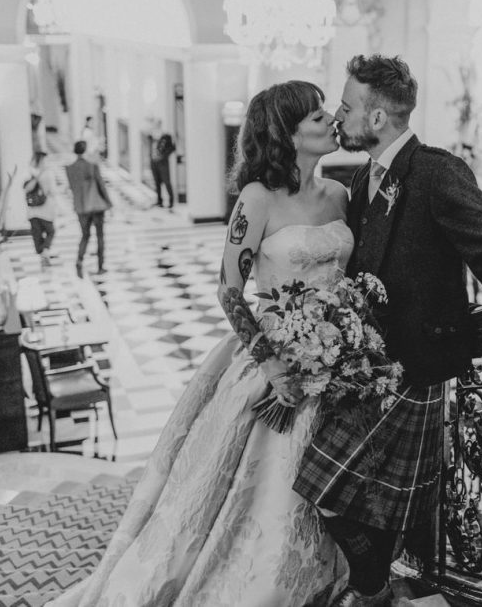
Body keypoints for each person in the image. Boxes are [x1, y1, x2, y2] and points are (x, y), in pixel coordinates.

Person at [46, 80, 348, 607]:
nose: (330, 120)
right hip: (272, 364)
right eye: (316, 115)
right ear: (285, 132)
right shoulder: (257, 200)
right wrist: (272, 362)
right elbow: (230, 290)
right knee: (262, 495)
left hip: (337, 365)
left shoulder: (340, 195)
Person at [293, 54, 482, 607]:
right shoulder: (359, 178)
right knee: (336, 496)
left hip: (416, 367)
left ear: (377, 119)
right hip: (367, 371)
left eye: (348, 106)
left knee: (340, 494)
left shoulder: (435, 170)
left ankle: (374, 588)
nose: (338, 115)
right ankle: (376, 587)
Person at [65, 140, 112, 279]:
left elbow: (73, 188)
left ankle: (79, 261)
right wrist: (109, 203)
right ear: (85, 151)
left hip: (81, 206)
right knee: (100, 236)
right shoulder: (92, 166)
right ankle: (100, 265)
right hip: (96, 205)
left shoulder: (70, 168)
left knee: (85, 235)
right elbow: (101, 185)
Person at [23, 150, 57, 268]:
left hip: (33, 211)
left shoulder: (29, 172)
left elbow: (25, 189)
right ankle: (45, 252)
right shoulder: (48, 174)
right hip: (46, 209)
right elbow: (53, 192)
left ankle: (43, 255)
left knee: (37, 235)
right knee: (50, 231)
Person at [151, 132, 176, 208]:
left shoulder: (170, 147)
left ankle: (171, 201)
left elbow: (171, 150)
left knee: (167, 183)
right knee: (157, 183)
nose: (163, 141)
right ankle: (159, 201)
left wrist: (161, 157)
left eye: (165, 140)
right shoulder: (157, 142)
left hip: (163, 165)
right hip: (155, 164)